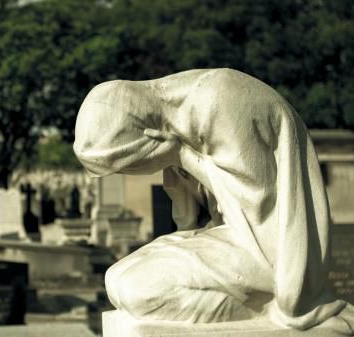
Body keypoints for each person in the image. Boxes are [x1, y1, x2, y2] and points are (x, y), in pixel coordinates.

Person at [73, 68, 354, 332]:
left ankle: (252, 312)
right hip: (231, 236)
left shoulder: (221, 101)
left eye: (127, 167)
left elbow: (257, 205)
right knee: (115, 278)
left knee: (138, 290)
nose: (131, 173)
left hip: (268, 249)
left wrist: (183, 157)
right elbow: (190, 218)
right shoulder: (177, 121)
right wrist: (178, 159)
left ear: (144, 141)